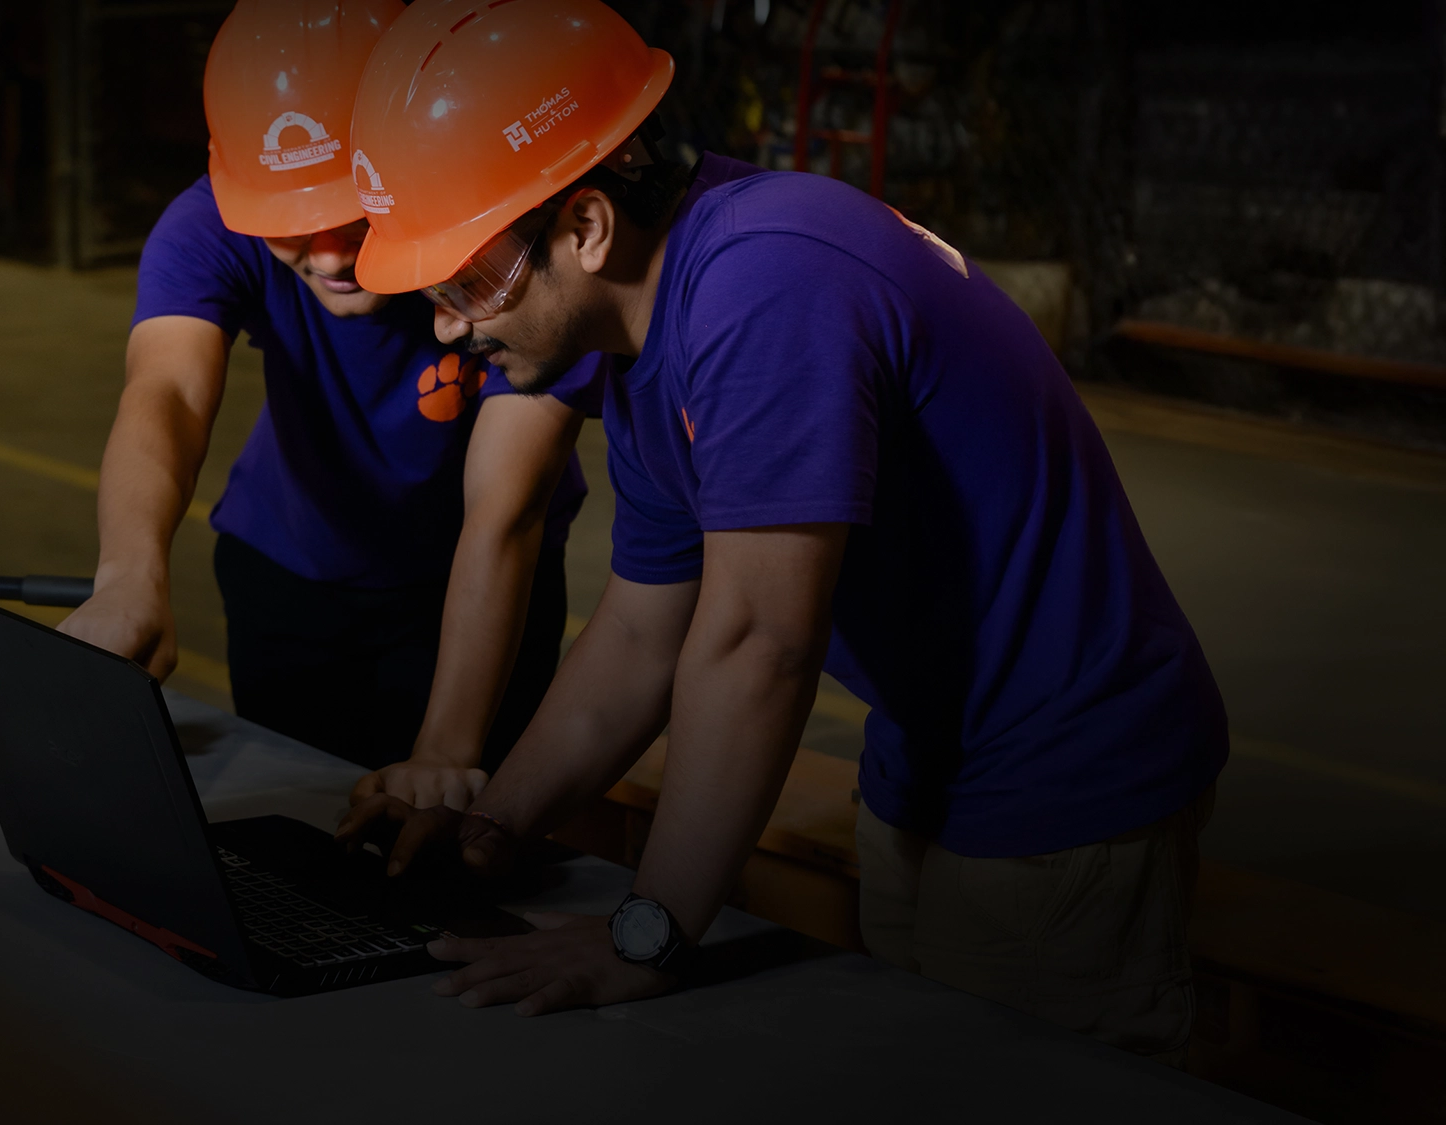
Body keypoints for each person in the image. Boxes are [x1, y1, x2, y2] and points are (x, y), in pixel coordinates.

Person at [336, 0, 1227, 1064]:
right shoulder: (656, 332)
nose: (445, 323)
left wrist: (644, 934)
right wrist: (487, 837)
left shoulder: (766, 286)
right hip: (925, 758)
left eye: (467, 278)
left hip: (1066, 777)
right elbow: (642, 636)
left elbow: (760, 643)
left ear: (585, 226)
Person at [59, 0, 603, 809]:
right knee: (304, 838)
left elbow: (505, 514)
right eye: (291, 224)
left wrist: (445, 751)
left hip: (482, 586)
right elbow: (166, 390)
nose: (328, 255)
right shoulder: (212, 220)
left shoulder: (515, 248)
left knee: (457, 843)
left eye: (351, 213)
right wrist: (128, 575)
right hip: (292, 575)